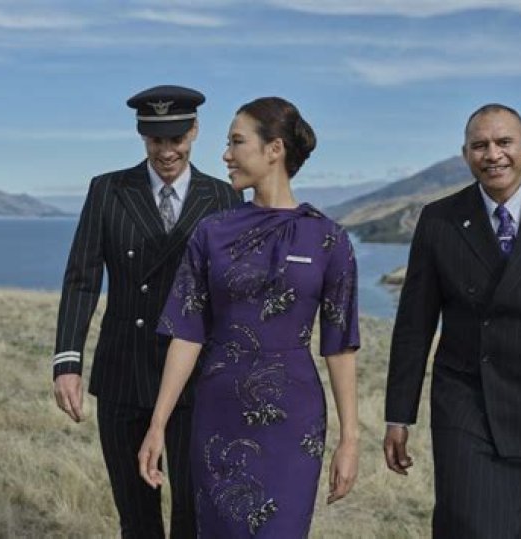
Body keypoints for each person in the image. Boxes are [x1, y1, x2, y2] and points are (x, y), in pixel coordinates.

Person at [138, 97, 361, 537]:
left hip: (293, 419)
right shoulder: (212, 232)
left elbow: (340, 346)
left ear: (274, 149)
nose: (226, 155)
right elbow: (187, 332)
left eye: (237, 142)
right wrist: (158, 424)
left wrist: (349, 439)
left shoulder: (328, 239)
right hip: (218, 413)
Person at [383, 103, 521, 537]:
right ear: (465, 154)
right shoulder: (439, 220)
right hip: (468, 404)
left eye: (504, 142)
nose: (493, 155)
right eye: (480, 145)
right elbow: (415, 325)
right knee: (471, 526)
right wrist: (398, 415)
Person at [52, 85, 241, 538]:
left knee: (193, 515)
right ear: (142, 136)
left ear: (194, 132)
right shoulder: (108, 190)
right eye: (156, 140)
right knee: (136, 517)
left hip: (197, 379)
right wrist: (68, 363)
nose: (167, 151)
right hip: (124, 373)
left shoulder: (225, 199)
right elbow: (81, 279)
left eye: (176, 139)